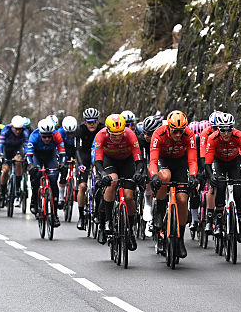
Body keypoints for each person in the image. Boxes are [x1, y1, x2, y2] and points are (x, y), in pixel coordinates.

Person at [148, 110, 197, 258]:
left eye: (180, 131)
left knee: (182, 199)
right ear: (169, 128)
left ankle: (180, 238)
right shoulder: (159, 134)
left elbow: (193, 161)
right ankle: (159, 211)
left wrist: (193, 176)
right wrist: (155, 176)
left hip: (180, 164)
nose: (177, 135)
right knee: (165, 176)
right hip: (164, 162)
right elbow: (153, 161)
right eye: (175, 131)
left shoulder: (189, 135)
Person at [93, 114, 145, 247]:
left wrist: (138, 172)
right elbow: (98, 159)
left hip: (127, 162)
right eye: (114, 135)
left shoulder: (130, 134)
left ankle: (130, 229)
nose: (117, 138)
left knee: (128, 196)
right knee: (112, 182)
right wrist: (103, 174)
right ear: (107, 131)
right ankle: (107, 221)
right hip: (109, 160)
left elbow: (139, 159)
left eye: (120, 134)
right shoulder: (100, 135)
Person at [204, 112, 241, 241]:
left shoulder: (239, 136)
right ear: (218, 129)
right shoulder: (213, 138)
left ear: (233, 128)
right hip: (218, 163)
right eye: (223, 130)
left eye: (229, 129)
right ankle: (219, 221)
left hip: (234, 162)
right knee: (219, 186)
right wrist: (211, 176)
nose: (226, 133)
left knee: (238, 191)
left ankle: (239, 223)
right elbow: (207, 161)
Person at [25, 117, 66, 227]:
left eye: (49, 136)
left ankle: (55, 215)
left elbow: (62, 153)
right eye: (44, 136)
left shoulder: (57, 135)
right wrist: (30, 165)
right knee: (37, 176)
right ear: (40, 133)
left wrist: (62, 164)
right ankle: (34, 201)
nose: (47, 139)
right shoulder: (34, 136)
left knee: (53, 180)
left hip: (50, 155)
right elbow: (29, 155)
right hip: (37, 156)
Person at [74, 108, 104, 230]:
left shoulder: (102, 129)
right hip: (85, 156)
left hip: (98, 154)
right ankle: (81, 216)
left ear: (98, 121)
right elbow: (77, 150)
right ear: (85, 122)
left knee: (99, 184)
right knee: (82, 186)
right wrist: (80, 164)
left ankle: (97, 211)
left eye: (94, 121)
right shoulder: (80, 130)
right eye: (89, 122)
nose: (91, 124)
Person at [0, 116, 29, 205]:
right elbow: (0, 145)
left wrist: (27, 154)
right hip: (6, 150)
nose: (18, 131)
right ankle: (2, 192)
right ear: (12, 127)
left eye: (20, 129)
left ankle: (18, 186)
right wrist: (1, 155)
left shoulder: (25, 132)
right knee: (5, 171)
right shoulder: (6, 130)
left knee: (18, 162)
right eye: (16, 129)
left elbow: (26, 145)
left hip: (17, 149)